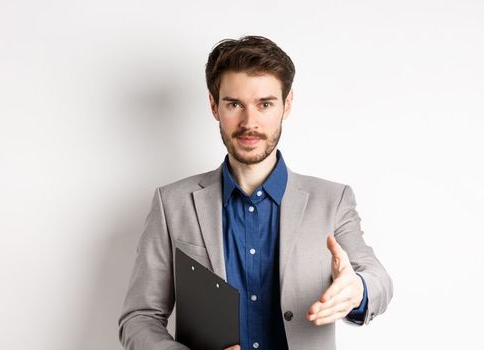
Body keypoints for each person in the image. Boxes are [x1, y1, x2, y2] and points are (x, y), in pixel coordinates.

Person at [118, 35, 393, 350]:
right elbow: (139, 318)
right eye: (234, 104)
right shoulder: (172, 204)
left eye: (265, 104)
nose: (250, 122)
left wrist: (357, 289)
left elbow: (379, 280)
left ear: (286, 105)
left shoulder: (332, 200)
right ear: (214, 106)